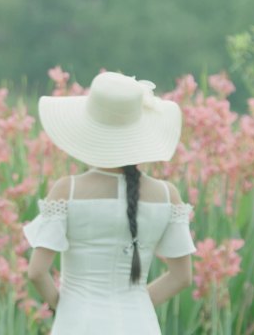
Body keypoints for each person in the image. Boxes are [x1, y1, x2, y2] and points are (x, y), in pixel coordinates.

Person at [23, 72, 196, 334]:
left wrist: (65, 307)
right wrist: (135, 306)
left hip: (78, 323)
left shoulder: (67, 190)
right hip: (140, 324)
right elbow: (182, 277)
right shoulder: (167, 194)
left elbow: (36, 272)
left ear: (89, 129)